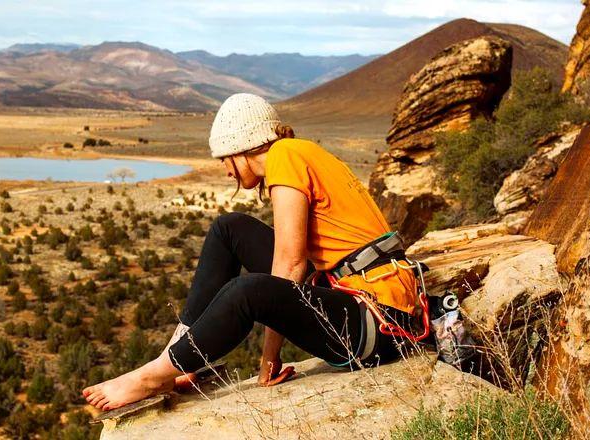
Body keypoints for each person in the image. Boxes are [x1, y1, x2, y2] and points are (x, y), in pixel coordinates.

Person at [83, 93, 427, 411]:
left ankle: (150, 377)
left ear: (240, 146)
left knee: (248, 290)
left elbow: (290, 265)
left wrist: (268, 359)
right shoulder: (300, 152)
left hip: (377, 324)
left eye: (224, 159)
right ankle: (179, 357)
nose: (225, 169)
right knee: (229, 228)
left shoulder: (284, 156)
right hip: (354, 294)